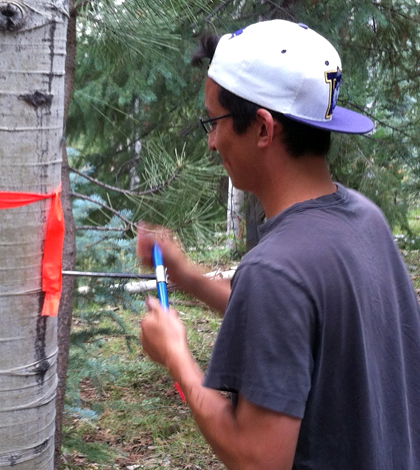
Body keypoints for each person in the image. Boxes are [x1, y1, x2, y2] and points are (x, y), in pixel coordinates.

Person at [137, 20, 420, 469]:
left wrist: (177, 358)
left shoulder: (277, 268)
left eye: (214, 122)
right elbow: (291, 320)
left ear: (264, 129)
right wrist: (186, 277)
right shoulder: (364, 220)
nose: (211, 143)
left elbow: (257, 459)